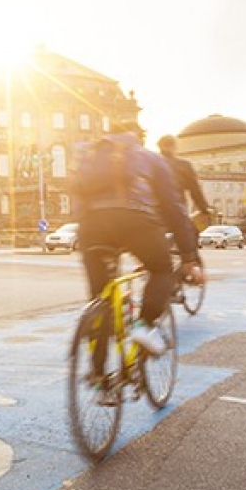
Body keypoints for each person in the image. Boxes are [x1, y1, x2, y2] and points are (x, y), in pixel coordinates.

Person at [72, 122, 205, 357]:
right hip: (135, 220)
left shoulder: (90, 155)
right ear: (136, 136)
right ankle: (144, 326)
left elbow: (76, 195)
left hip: (91, 225)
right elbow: (173, 208)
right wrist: (188, 255)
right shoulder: (149, 158)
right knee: (162, 269)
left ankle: (99, 380)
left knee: (100, 298)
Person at [157, 134, 211, 233]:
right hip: (176, 211)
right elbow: (195, 190)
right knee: (187, 240)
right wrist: (204, 209)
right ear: (174, 147)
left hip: (153, 212)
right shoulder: (183, 165)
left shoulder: (151, 163)